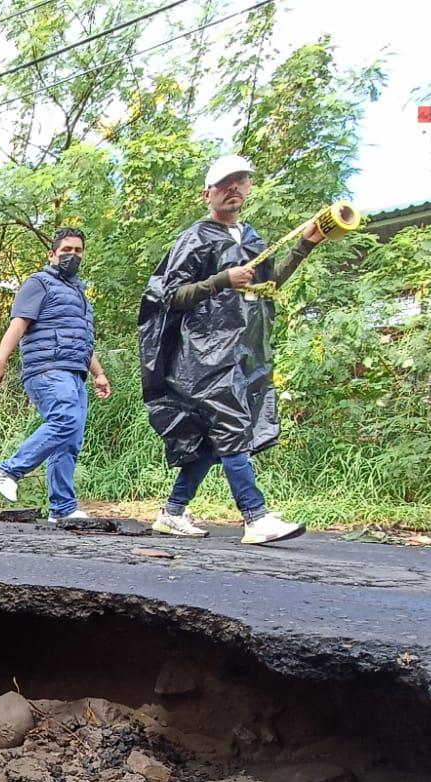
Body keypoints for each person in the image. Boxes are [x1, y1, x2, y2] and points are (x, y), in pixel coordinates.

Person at [137, 154, 323, 545]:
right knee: (231, 424)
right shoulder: (196, 238)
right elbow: (168, 294)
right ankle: (255, 517)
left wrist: (306, 243)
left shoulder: (251, 239)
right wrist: (222, 279)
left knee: (209, 439)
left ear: (249, 187)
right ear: (209, 194)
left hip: (242, 350)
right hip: (203, 354)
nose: (234, 188)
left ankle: (172, 513)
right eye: (225, 183)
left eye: (241, 181)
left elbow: (269, 285)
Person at [0, 227, 112, 521]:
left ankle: (63, 509)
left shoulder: (79, 294)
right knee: (65, 420)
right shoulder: (39, 283)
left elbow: (82, 340)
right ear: (52, 254)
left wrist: (99, 374)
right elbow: (18, 324)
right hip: (47, 369)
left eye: (78, 250)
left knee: (69, 440)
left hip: (74, 373)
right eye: (66, 250)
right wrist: (0, 360)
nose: (72, 255)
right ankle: (8, 470)